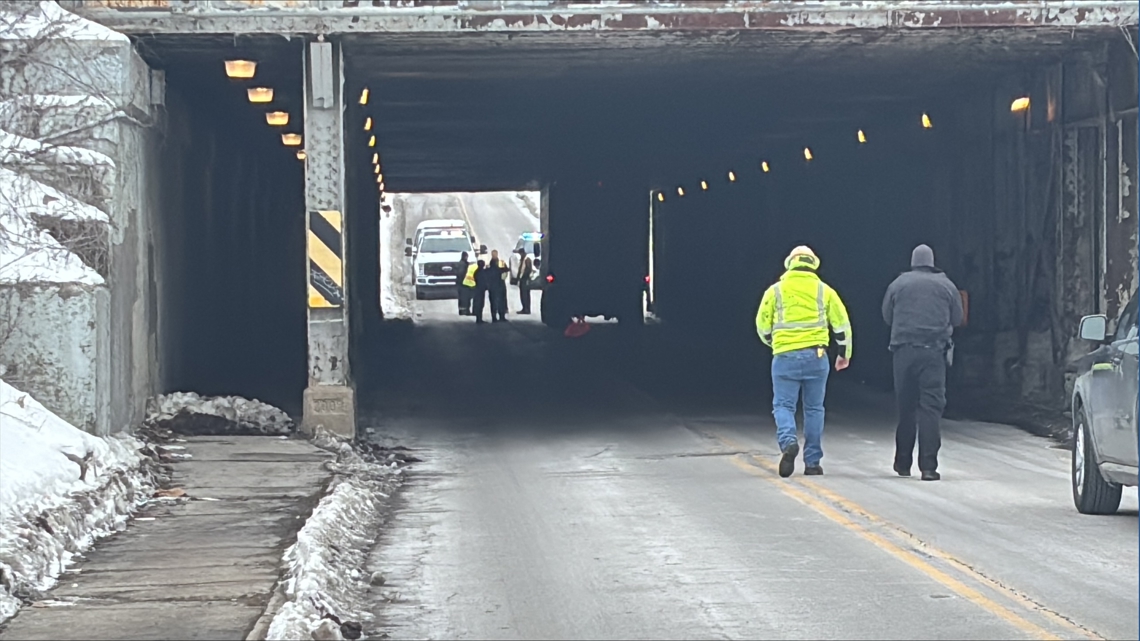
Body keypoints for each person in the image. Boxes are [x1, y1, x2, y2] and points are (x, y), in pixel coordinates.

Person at [756, 245, 853, 478]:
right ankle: (812, 463)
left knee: (783, 405)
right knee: (814, 409)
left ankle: (788, 442)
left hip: (784, 356)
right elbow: (842, 326)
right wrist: (844, 353)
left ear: (789, 263)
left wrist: (776, 344)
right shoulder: (824, 291)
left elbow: (762, 324)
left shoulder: (775, 291)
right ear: (814, 264)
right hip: (816, 356)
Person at [882, 244, 963, 482]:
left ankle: (903, 463)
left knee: (906, 408)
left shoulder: (898, 284)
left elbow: (887, 315)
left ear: (913, 262)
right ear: (932, 262)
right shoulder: (947, 285)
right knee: (931, 408)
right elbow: (957, 318)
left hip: (904, 352)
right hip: (934, 353)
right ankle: (928, 467)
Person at [486, 250, 509, 322]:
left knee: (501, 301)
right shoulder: (490, 265)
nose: (494, 255)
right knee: (494, 302)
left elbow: (506, 270)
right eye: (493, 254)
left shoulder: (501, 263)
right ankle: (494, 317)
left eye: (495, 254)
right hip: (494, 286)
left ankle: (501, 316)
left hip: (500, 284)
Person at [515, 247, 534, 314]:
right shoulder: (522, 260)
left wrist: (524, 277)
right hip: (522, 279)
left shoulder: (527, 260)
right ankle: (524, 308)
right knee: (523, 294)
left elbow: (528, 269)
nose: (520, 255)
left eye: (520, 253)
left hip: (525, 280)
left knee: (525, 294)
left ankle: (526, 309)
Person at [472, 259, 489, 324]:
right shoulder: (480, 272)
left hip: (479, 289)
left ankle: (479, 318)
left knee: (480, 304)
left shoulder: (477, 272)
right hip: (480, 289)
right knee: (480, 304)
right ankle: (479, 319)